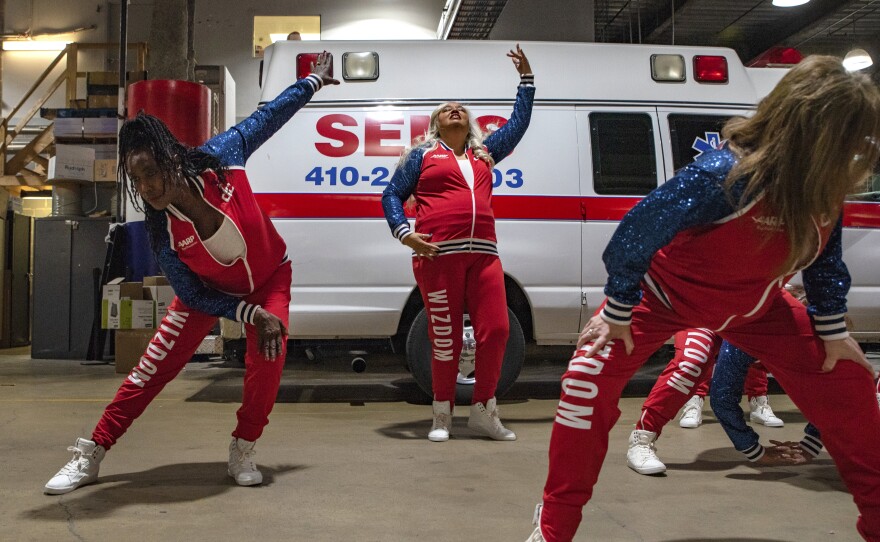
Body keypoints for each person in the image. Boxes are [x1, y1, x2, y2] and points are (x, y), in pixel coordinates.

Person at [528, 56, 880, 542]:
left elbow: (825, 263)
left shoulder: (823, 190)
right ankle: (553, 529)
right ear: (812, 129)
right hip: (662, 298)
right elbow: (636, 230)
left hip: (757, 308)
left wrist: (833, 332)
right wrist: (617, 309)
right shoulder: (726, 174)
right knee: (582, 385)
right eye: (849, 136)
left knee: (851, 382)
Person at [44, 53, 339, 495]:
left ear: (171, 159)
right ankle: (92, 452)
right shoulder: (160, 226)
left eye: (151, 174)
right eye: (135, 180)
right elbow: (192, 295)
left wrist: (313, 81)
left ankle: (243, 446)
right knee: (148, 371)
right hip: (208, 293)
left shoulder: (223, 157)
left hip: (271, 279)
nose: (145, 188)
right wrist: (246, 313)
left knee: (269, 361)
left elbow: (271, 115)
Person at [381, 44, 534, 442]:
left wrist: (527, 81)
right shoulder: (421, 156)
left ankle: (484, 411)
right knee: (445, 338)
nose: (455, 109)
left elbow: (518, 124)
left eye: (461, 108)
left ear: (469, 123)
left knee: (497, 330)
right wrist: (404, 233)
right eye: (447, 108)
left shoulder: (485, 154)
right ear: (435, 123)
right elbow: (391, 195)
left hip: (484, 257)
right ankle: (442, 415)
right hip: (437, 257)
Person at [626, 328, 787, 475]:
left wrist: (810, 442)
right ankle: (642, 438)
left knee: (757, 354)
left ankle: (760, 401)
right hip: (699, 312)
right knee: (692, 361)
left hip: (743, 318)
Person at [710, 340, 822, 463]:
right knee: (694, 363)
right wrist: (753, 450)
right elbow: (722, 399)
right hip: (741, 336)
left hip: (798, 341)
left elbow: (834, 390)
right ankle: (695, 397)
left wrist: (812, 442)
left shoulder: (810, 340)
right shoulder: (739, 340)